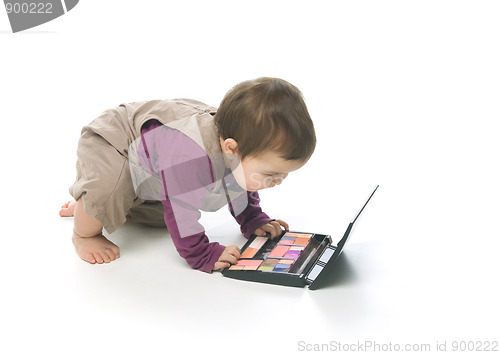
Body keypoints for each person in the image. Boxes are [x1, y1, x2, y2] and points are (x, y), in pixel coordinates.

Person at [60, 77, 316, 273]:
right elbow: (183, 216)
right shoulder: (190, 157)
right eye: (271, 173)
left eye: (284, 174)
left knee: (159, 216)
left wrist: (252, 219)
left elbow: (240, 181)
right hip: (116, 142)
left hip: (153, 167)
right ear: (231, 148)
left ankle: (92, 203)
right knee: (108, 191)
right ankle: (85, 227)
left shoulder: (237, 151)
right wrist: (203, 253)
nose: (278, 181)